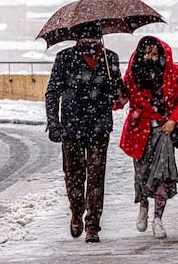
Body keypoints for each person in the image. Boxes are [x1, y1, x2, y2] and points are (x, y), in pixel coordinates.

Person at [45, 22, 123, 243]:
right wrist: (53, 122)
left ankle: (93, 225)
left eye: (94, 39)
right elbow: (52, 92)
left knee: (97, 175)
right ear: (78, 39)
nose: (90, 42)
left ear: (100, 38)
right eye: (86, 39)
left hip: (99, 126)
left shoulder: (111, 58)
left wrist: (114, 89)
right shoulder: (64, 58)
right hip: (72, 126)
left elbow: (119, 92)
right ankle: (77, 212)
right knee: (74, 174)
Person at [115, 36, 178, 238]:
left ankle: (158, 218)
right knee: (141, 176)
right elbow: (119, 101)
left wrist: (174, 120)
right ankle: (143, 205)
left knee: (163, 175)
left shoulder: (173, 72)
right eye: (146, 53)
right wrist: (114, 87)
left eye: (154, 54)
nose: (150, 57)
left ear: (162, 55)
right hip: (139, 131)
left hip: (163, 130)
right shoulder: (133, 75)